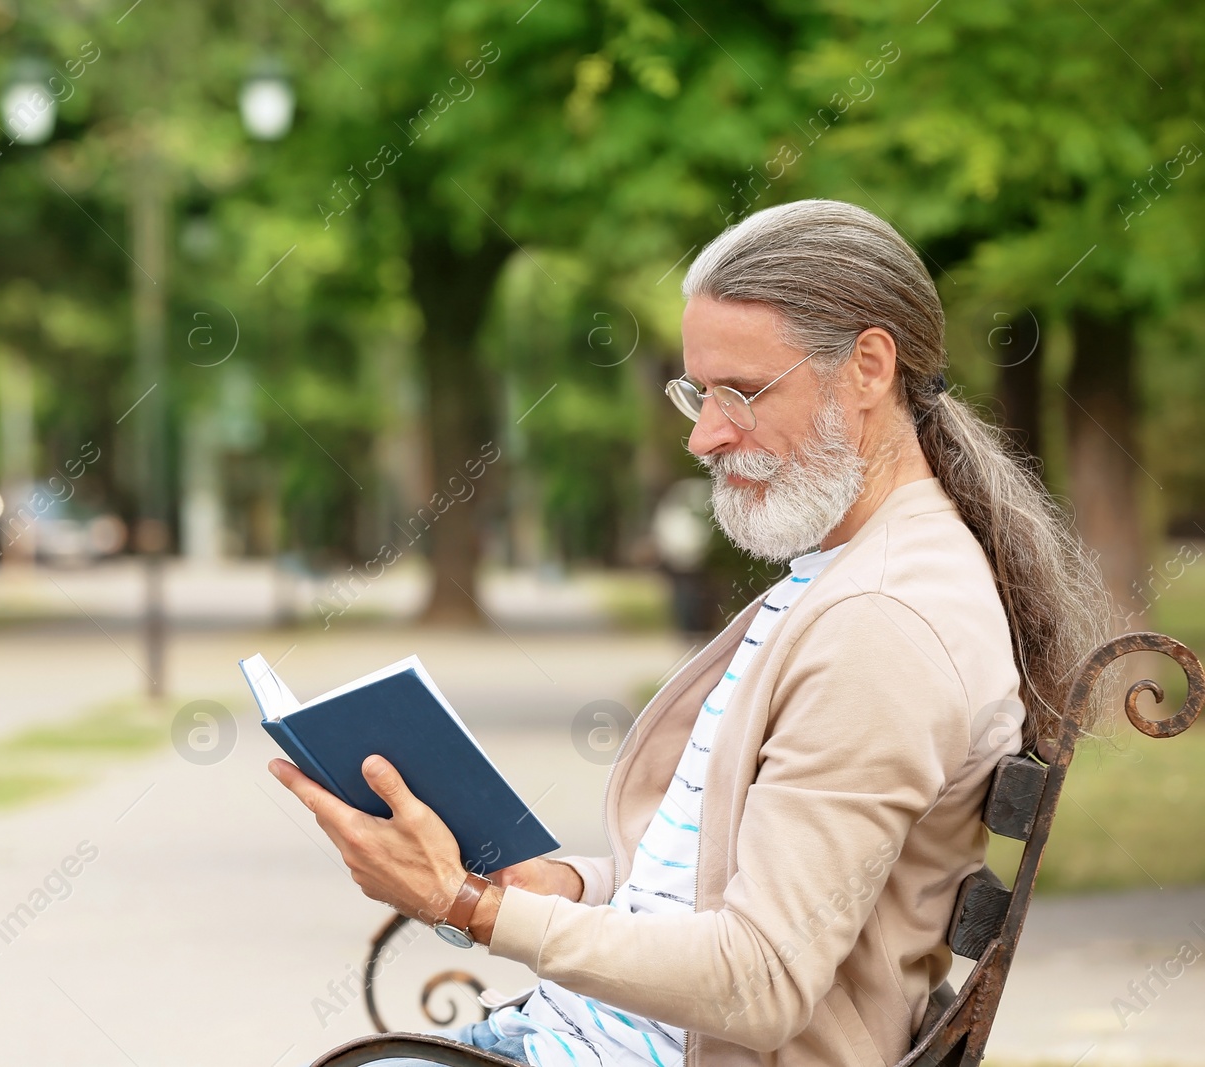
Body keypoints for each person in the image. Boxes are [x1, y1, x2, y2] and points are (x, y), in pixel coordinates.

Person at [270, 199, 1107, 1066]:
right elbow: (710, 893)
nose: (706, 435)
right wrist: (558, 884)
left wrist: (467, 905)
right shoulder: (853, 572)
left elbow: (760, 978)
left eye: (741, 392)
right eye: (697, 392)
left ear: (868, 366)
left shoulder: (880, 624)